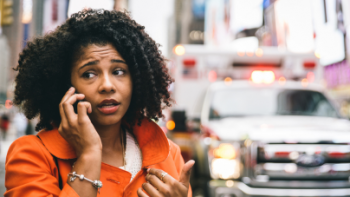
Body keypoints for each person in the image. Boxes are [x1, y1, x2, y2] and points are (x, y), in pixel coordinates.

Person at [5, 9, 194, 197]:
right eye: (89, 74)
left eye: (118, 71)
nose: (107, 85)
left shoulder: (168, 154)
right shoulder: (32, 155)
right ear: (65, 85)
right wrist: (89, 154)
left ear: (136, 79)